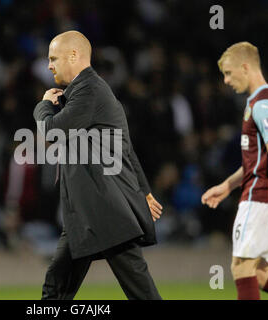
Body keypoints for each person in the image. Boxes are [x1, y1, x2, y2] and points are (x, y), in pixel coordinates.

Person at [33, 30, 163, 300]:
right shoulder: (85, 91)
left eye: (53, 58)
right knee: (55, 288)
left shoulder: (89, 90)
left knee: (142, 293)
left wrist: (42, 107)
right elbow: (124, 147)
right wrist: (144, 191)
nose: (49, 65)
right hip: (87, 210)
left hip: (105, 209)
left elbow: (52, 132)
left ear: (73, 55)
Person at [202, 42, 268, 300]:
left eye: (229, 73)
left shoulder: (263, 105)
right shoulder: (258, 103)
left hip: (261, 197)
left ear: (245, 67)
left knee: (241, 268)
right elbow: (257, 160)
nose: (226, 80)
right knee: (259, 274)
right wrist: (227, 186)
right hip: (263, 195)